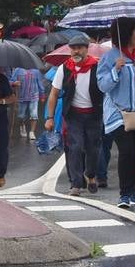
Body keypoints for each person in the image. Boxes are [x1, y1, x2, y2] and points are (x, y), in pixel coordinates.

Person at [97, 16, 135, 209]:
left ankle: (132, 190)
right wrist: (115, 70)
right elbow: (102, 86)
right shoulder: (110, 57)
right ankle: (124, 193)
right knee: (126, 151)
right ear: (126, 34)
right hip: (118, 115)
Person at [43, 33, 103, 196]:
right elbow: (54, 94)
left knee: (93, 149)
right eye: (73, 49)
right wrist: (49, 118)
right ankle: (76, 184)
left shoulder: (97, 66)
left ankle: (90, 175)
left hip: (94, 114)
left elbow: (107, 89)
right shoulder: (65, 68)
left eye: (79, 48)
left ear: (86, 49)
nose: (76, 52)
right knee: (75, 147)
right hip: (73, 115)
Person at [11, 65, 41, 141]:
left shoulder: (36, 70)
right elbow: (11, 80)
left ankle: (32, 132)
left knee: (34, 115)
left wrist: (42, 94)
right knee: (21, 116)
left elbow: (40, 82)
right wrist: (14, 83)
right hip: (21, 96)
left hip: (34, 96)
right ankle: (22, 126)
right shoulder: (18, 70)